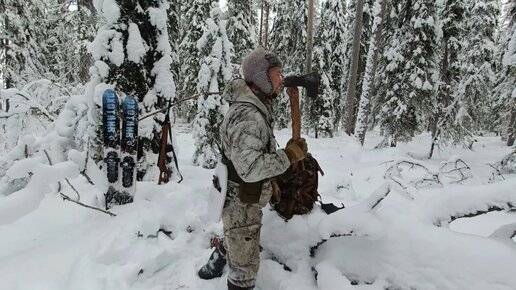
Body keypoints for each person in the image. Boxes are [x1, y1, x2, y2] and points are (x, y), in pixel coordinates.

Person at [197, 47, 308, 290]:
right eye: (277, 74)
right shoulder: (249, 116)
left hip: (241, 196)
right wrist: (288, 155)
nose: (281, 79)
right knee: (244, 267)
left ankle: (213, 266)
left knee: (237, 236)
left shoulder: (254, 105)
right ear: (261, 77)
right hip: (241, 199)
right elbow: (250, 168)